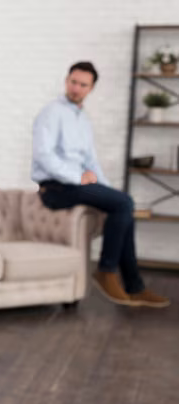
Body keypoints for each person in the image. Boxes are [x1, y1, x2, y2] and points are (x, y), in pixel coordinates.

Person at [32, 61, 169, 308]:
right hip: (54, 188)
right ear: (66, 81)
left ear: (91, 89)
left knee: (124, 205)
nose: (76, 88)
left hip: (76, 186)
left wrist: (107, 190)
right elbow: (44, 156)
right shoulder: (51, 112)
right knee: (124, 203)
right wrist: (77, 178)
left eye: (83, 85)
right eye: (73, 82)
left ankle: (135, 287)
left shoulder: (83, 119)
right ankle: (106, 271)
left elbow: (91, 161)